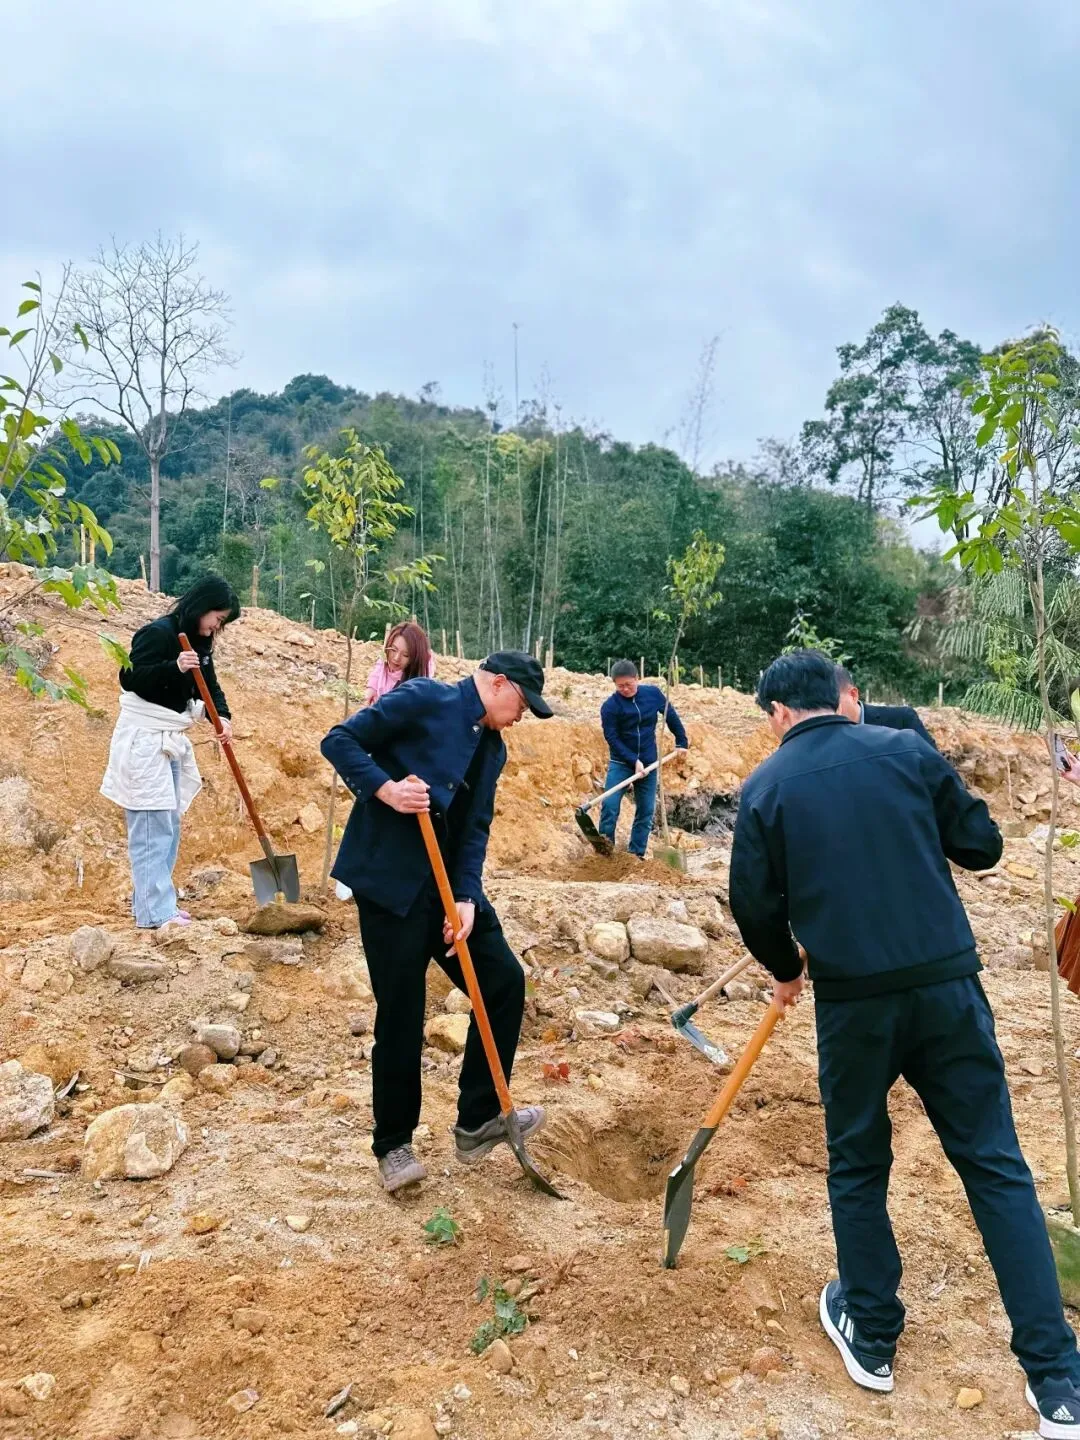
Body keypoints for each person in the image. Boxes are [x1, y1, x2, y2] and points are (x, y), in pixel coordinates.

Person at [728, 649, 1080, 1437]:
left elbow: (752, 906)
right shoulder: (905, 751)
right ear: (842, 699)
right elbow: (982, 847)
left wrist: (786, 967)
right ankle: (1058, 1379)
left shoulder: (765, 789)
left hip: (854, 1005)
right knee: (995, 1166)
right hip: (948, 989)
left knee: (858, 1162)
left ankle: (874, 1338)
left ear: (780, 713)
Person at [321, 651, 554, 1194]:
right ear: (498, 684)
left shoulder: (492, 749)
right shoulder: (424, 699)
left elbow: (476, 829)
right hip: (391, 886)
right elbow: (339, 740)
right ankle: (394, 1146)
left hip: (450, 895)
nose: (521, 716)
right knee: (402, 1011)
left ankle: (477, 1120)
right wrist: (388, 789)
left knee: (503, 983)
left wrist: (469, 897)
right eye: (521, 703)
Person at [101, 576, 240, 931]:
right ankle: (155, 914)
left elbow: (209, 685)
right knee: (151, 826)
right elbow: (131, 677)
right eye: (217, 619)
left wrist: (220, 717)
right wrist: (174, 667)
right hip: (145, 740)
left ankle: (156, 903)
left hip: (171, 739)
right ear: (202, 606)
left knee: (170, 824)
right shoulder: (158, 634)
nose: (215, 628)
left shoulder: (199, 642)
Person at [598, 660, 689, 859]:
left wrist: (682, 741)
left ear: (637, 679)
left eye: (629, 684)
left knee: (646, 810)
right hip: (621, 763)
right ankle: (604, 856)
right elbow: (612, 738)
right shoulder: (610, 707)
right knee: (610, 806)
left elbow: (670, 715)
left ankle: (635, 855)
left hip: (649, 762)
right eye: (620, 686)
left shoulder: (653, 695)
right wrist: (632, 761)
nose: (625, 689)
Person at [834, 664, 937, 749]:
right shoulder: (823, 737)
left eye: (832, 702)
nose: (827, 711)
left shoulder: (902, 721)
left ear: (853, 695)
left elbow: (937, 767)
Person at [364, 621, 436, 705]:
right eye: (394, 650)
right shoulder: (385, 660)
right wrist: (372, 689)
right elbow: (379, 668)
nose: (396, 658)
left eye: (405, 655)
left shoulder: (417, 687)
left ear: (415, 658)